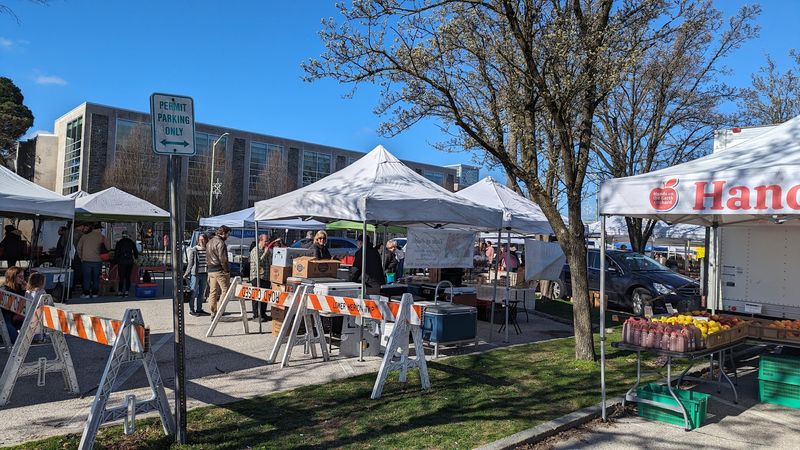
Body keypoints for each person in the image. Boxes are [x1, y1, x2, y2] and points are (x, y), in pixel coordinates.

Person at [206, 225, 231, 317]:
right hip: (219, 270)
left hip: (211, 270)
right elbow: (223, 259)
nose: (228, 236)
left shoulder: (209, 242)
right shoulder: (221, 243)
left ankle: (213, 311)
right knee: (225, 290)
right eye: (228, 234)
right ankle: (220, 310)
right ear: (223, 233)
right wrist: (227, 270)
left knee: (213, 291)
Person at [76, 223, 106, 298]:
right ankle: (95, 293)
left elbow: (78, 248)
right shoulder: (102, 237)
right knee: (96, 277)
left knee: (87, 277)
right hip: (98, 261)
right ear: (98, 229)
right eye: (101, 229)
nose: (101, 230)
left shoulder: (84, 236)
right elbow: (108, 248)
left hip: (86, 260)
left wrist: (81, 257)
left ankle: (86, 294)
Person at [183, 233, 210, 316]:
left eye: (203, 239)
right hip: (195, 274)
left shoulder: (208, 249)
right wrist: (186, 274)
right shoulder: (194, 249)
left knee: (201, 293)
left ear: (206, 240)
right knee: (193, 292)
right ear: (198, 240)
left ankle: (199, 309)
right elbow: (190, 263)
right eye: (200, 239)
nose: (201, 241)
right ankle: (192, 310)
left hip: (204, 273)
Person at [2, 266, 26, 343]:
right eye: (20, 276)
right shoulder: (5, 290)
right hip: (5, 317)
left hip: (15, 316)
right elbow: (17, 306)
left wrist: (24, 290)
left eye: (23, 276)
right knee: (14, 340)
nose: (22, 279)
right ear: (13, 277)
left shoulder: (19, 288)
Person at [249, 234, 271, 321]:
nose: (267, 243)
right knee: (256, 296)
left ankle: (263, 313)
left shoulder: (267, 250)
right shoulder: (255, 250)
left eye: (268, 241)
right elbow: (258, 263)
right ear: (260, 241)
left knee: (265, 296)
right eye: (266, 241)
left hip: (266, 276)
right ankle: (256, 315)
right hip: (257, 276)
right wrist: (265, 253)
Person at [114, 230, 138, 297]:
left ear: (122, 235)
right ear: (128, 235)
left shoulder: (119, 242)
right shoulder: (131, 242)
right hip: (129, 261)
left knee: (121, 277)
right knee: (128, 277)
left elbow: (116, 253)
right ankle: (127, 291)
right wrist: (136, 258)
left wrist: (115, 261)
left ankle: (120, 291)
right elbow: (136, 252)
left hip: (121, 262)